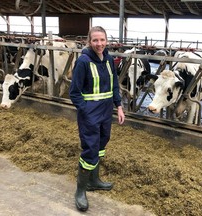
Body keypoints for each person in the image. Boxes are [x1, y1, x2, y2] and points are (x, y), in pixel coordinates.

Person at [69, 26, 125, 212]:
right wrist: (85, 112)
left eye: (102, 40)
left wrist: (119, 106)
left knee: (101, 144)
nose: (99, 44)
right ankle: (80, 191)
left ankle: (94, 180)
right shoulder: (83, 61)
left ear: (106, 40)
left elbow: (114, 86)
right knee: (90, 149)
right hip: (90, 114)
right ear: (89, 41)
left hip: (106, 111)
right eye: (95, 40)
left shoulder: (109, 60)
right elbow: (74, 93)